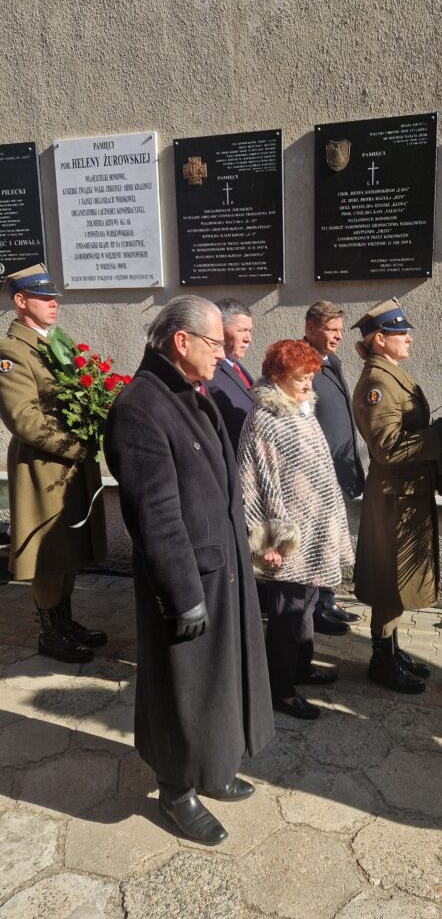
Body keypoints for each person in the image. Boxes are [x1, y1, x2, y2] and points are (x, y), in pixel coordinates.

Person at [103, 295, 274, 846]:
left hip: (222, 567)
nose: (225, 356)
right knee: (184, 692)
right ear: (183, 342)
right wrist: (182, 594)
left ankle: (213, 767)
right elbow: (155, 516)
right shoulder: (141, 408)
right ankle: (177, 791)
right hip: (188, 581)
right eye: (216, 344)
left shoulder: (188, 394)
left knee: (219, 684)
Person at [237, 339, 354, 720]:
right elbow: (253, 482)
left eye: (310, 377)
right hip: (286, 538)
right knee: (286, 615)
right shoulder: (264, 419)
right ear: (276, 376)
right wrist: (266, 541)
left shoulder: (302, 410)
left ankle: (300, 668)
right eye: (300, 378)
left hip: (314, 531)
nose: (308, 385)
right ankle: (279, 690)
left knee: (305, 607)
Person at [0, 263, 107, 663]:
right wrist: (75, 446)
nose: (53, 305)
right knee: (49, 551)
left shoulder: (56, 342)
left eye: (53, 298)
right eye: (44, 298)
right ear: (21, 301)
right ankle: (50, 632)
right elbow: (23, 418)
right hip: (43, 466)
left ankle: (65, 620)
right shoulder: (12, 351)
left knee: (69, 546)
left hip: (68, 464)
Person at [351, 298, 442, 695]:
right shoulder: (377, 383)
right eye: (399, 333)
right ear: (379, 340)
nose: (407, 339)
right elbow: (387, 448)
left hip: (407, 493)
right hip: (394, 497)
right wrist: (441, 435)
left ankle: (391, 648)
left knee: (397, 580)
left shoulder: (391, 374)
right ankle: (381, 660)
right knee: (390, 579)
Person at [304, 300, 364, 636]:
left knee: (327, 540)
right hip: (314, 475)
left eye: (341, 330)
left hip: (336, 471)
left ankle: (327, 599)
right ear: (311, 328)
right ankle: (314, 610)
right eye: (331, 329)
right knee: (315, 541)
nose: (338, 336)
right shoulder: (302, 363)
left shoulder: (331, 360)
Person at [207, 298, 254, 454]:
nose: (248, 338)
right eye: (241, 330)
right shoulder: (209, 372)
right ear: (220, 329)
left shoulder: (235, 365)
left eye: (250, 331)